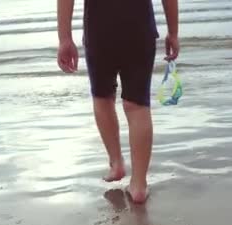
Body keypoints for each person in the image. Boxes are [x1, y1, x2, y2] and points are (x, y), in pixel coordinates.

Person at [57, 0, 179, 204]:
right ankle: (139, 184)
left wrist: (65, 38)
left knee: (102, 97)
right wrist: (173, 32)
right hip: (139, 27)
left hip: (100, 28)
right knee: (137, 105)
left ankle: (116, 162)